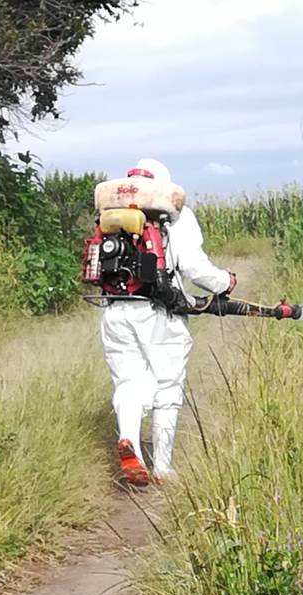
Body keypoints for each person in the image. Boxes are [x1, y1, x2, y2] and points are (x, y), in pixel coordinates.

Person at [100, 158, 236, 486]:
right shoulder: (174, 212)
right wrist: (224, 282)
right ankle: (162, 466)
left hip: (115, 309)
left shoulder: (110, 214)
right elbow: (194, 267)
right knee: (167, 384)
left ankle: (130, 440)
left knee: (128, 381)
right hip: (159, 312)